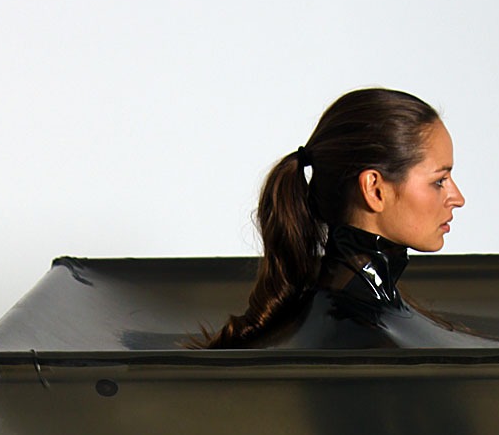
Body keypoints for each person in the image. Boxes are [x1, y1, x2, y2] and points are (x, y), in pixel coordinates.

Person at [194, 87, 466, 350]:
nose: (458, 198)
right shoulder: (362, 341)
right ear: (374, 189)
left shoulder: (357, 320)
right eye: (439, 181)